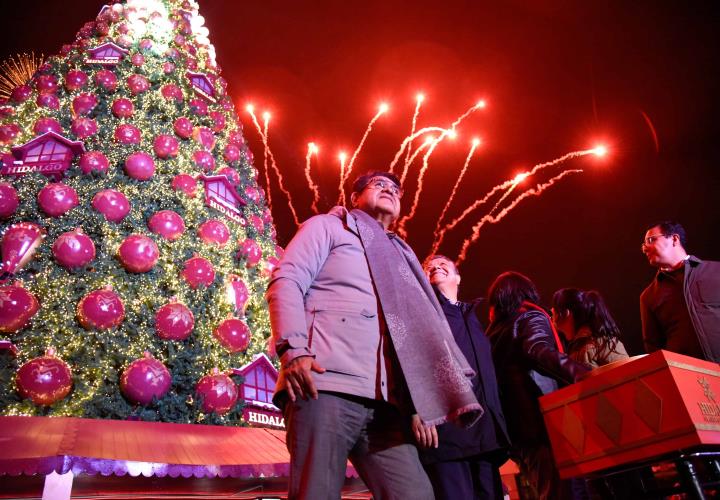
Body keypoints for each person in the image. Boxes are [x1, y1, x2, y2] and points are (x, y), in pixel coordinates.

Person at [266, 171, 482, 499]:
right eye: (379, 185)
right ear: (355, 197)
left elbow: (406, 337)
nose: (389, 191)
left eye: (395, 189)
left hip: (386, 406)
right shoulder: (327, 227)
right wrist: (293, 348)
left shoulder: (401, 258)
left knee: (417, 494)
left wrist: (415, 404)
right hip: (325, 386)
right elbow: (287, 281)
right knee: (317, 493)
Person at [485, 271, 590, 500]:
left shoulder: (492, 334)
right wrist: (583, 373)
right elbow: (538, 350)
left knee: (548, 488)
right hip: (542, 420)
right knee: (567, 491)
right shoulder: (530, 317)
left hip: (515, 429)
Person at [419, 255, 510, 500]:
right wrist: (417, 411)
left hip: (485, 437)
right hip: (447, 435)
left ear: (458, 277)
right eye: (429, 268)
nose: (436, 267)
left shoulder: (473, 317)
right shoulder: (421, 314)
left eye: (443, 265)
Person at [640, 221, 720, 362]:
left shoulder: (716, 271)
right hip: (692, 379)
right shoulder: (648, 296)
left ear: (674, 239)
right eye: (644, 244)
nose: (645, 248)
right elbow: (654, 349)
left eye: (651, 240)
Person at [552, 288, 629, 368]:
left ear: (566, 313)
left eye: (554, 312)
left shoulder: (584, 350)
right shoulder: (602, 341)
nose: (551, 317)